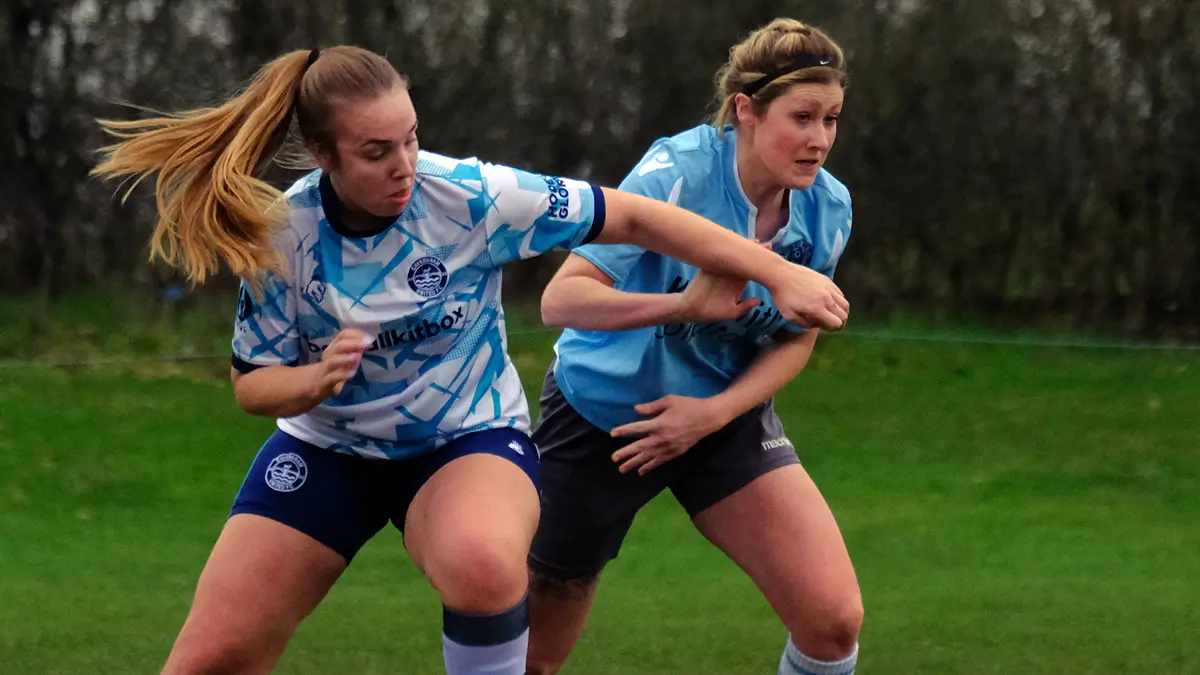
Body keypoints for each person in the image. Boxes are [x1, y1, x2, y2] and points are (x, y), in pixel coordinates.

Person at [90, 45, 849, 675]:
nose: (405, 164)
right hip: (330, 451)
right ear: (324, 155)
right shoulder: (282, 234)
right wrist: (313, 382)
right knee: (209, 657)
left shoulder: (473, 196)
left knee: (487, 564)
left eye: (412, 139)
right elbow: (252, 385)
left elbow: (635, 216)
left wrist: (778, 273)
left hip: (464, 440)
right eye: (376, 151)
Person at [525, 19, 863, 675]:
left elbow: (796, 341)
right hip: (604, 420)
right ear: (746, 110)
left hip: (721, 418)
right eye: (802, 116)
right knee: (534, 656)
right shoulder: (675, 174)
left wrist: (712, 414)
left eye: (832, 118)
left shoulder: (829, 207)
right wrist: (683, 304)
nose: (819, 139)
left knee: (833, 619)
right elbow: (560, 301)